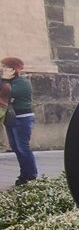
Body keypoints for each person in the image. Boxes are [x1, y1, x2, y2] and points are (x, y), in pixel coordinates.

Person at [1, 57, 37, 186]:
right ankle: (24, 174)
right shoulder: (7, 82)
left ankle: (31, 176)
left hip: (23, 118)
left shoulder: (23, 82)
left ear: (13, 69)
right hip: (11, 118)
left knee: (23, 148)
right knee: (16, 147)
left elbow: (8, 93)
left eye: (5, 66)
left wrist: (4, 83)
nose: (2, 69)